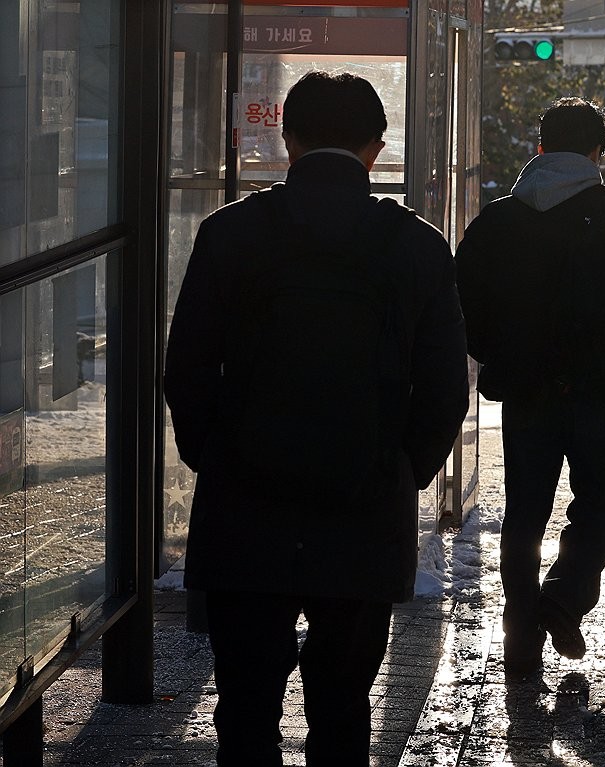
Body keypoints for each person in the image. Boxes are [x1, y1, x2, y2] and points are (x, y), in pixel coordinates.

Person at [164, 71, 468, 766]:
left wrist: (218, 456)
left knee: (244, 707)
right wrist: (401, 470)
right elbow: (448, 387)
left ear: (287, 137)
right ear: (377, 147)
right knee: (341, 708)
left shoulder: (230, 233)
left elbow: (187, 368)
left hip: (246, 509)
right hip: (362, 513)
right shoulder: (416, 245)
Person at [455, 97, 605, 678]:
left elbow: (460, 304)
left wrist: (502, 353)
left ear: (538, 149)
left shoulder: (498, 223)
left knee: (524, 513)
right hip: (599, 390)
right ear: (597, 154)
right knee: (601, 499)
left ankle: (520, 628)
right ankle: (563, 597)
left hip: (527, 394)